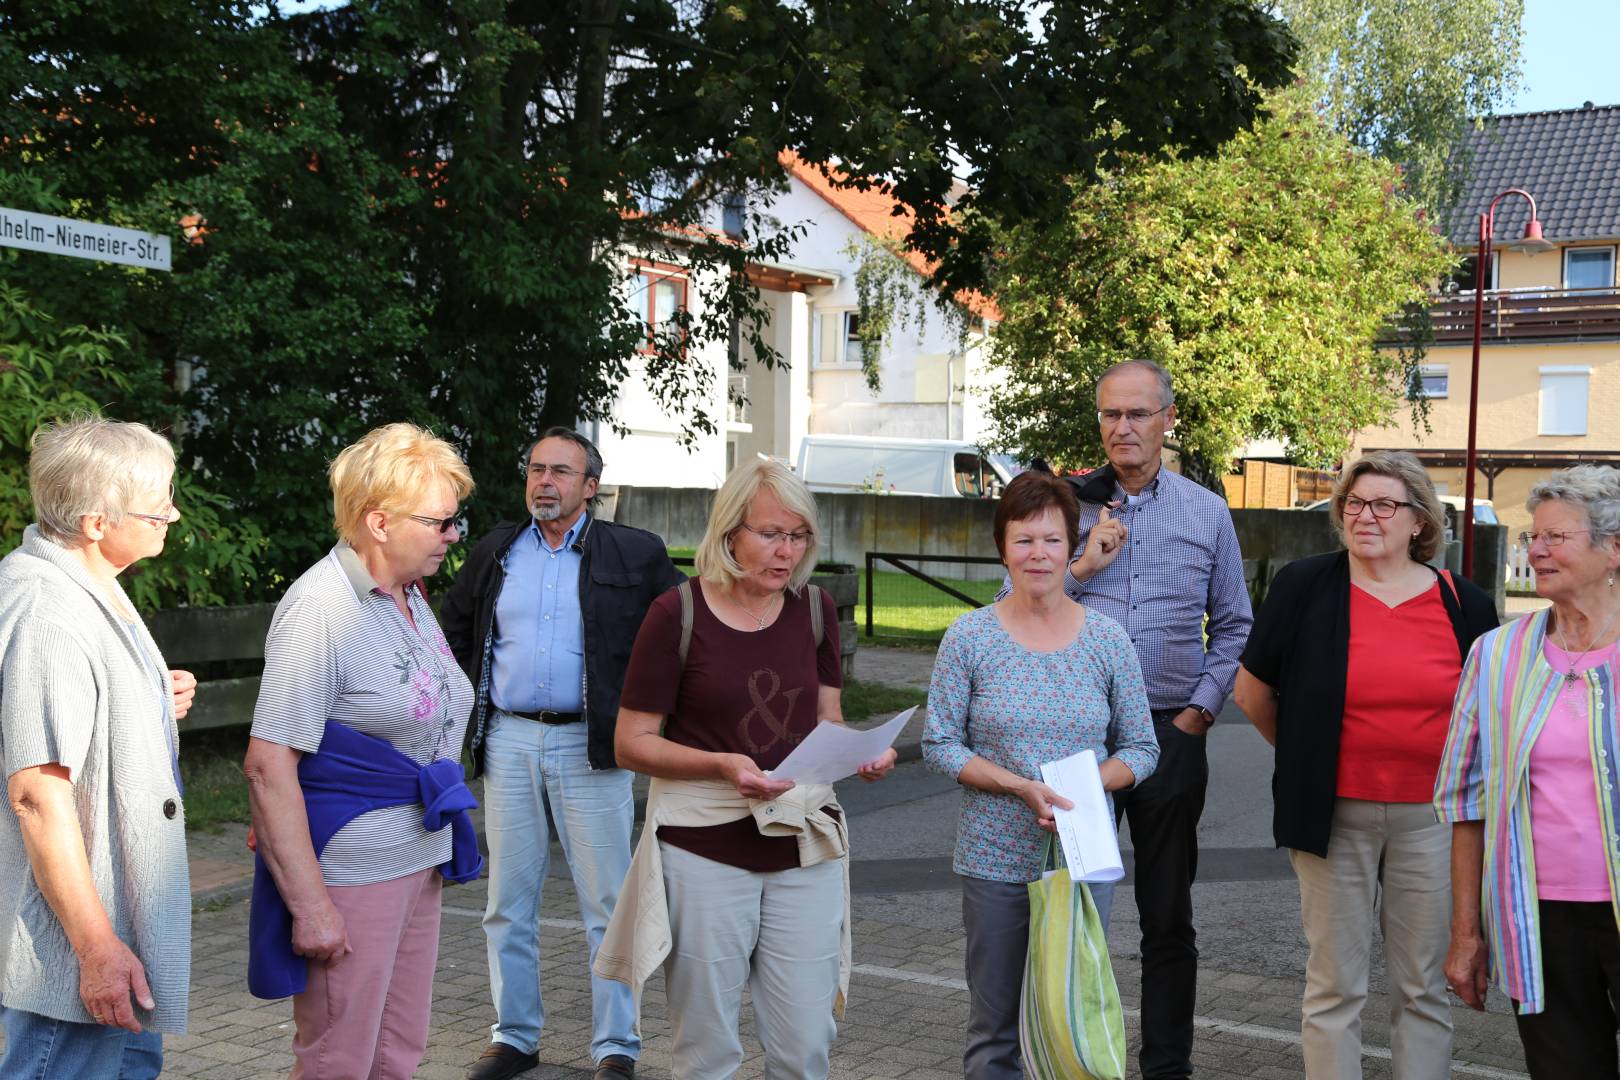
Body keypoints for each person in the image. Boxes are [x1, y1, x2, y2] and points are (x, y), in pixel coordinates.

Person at [597, 458, 895, 1080]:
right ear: (730, 532)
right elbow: (631, 743)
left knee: (807, 1041)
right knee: (706, 1047)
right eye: (770, 534)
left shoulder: (812, 612)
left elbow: (828, 722)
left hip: (800, 845)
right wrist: (723, 766)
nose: (786, 551)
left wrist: (865, 751)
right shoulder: (674, 615)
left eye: (799, 536)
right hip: (704, 847)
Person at [1003, 359, 1251, 1079]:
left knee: (1167, 915)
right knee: (1074, 906)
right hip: (1081, 746)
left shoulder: (1206, 511)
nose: (1123, 428)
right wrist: (1080, 563)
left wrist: (1201, 713)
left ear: (1167, 420)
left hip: (1173, 733)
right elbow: (1007, 602)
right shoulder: (1066, 506)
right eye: (1111, 414)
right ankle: (1073, 1053)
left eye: (1138, 414)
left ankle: (1166, 1066)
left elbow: (1235, 624)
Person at [1233, 451, 1497, 1078]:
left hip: (1433, 822)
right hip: (1333, 817)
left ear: (1419, 523)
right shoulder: (1303, 586)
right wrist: (1311, 760)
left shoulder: (1467, 603)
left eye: (1384, 504)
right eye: (1354, 503)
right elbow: (1251, 693)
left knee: (1424, 987)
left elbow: (1488, 715)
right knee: (1334, 986)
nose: (1365, 515)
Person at [440, 427, 683, 1080]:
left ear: (590, 487)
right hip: (510, 738)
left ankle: (616, 1048)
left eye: (561, 472)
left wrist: (658, 721)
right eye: (536, 470)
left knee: (607, 905)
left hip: (591, 744)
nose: (544, 482)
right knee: (507, 901)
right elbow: (452, 628)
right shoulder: (497, 550)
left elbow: (681, 631)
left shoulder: (633, 554)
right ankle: (514, 1036)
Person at [243, 422, 480, 1079]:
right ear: (379, 522)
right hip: (354, 868)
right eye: (438, 522)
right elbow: (268, 766)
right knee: (339, 1059)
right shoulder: (322, 607)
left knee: (396, 1051)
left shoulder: (406, 594)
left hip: (419, 855)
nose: (451, 535)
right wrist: (312, 905)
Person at [925, 470, 1158, 1079]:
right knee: (995, 1024)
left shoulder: (1108, 641)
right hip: (994, 855)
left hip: (1082, 855)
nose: (1039, 554)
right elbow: (940, 743)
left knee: (1068, 1013)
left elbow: (1142, 748)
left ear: (1073, 546)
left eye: (1052, 540)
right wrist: (1019, 785)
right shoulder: (969, 638)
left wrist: (1083, 785)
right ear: (1003, 546)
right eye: (1024, 540)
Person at [0, 417, 196, 1079]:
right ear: (95, 522)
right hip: (75, 939)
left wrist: (144, 701)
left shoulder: (86, 584)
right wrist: (96, 948)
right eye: (159, 501)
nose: (172, 512)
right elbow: (35, 795)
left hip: (116, 918)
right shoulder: (48, 612)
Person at [1437, 465, 1620, 1079]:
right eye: (1532, 537)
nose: (1535, 550)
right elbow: (1467, 803)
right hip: (1536, 914)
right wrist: (1466, 934)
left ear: (1613, 547)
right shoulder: (1496, 654)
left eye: (1556, 538)